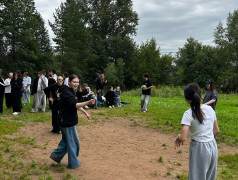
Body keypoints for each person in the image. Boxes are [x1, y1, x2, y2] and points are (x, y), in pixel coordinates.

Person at [175, 83, 220, 180]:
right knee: (209, 176)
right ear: (200, 95)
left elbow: (183, 138)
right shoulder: (210, 109)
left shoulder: (188, 114)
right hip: (213, 146)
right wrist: (208, 139)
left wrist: (178, 138)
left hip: (199, 148)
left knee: (196, 176)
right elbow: (216, 131)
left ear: (187, 99)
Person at [50, 74, 95, 169]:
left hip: (67, 120)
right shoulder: (67, 92)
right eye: (74, 82)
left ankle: (55, 155)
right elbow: (75, 105)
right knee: (73, 143)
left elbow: (76, 104)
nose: (76, 84)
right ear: (69, 82)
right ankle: (73, 163)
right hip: (67, 122)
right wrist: (88, 102)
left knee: (66, 142)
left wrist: (85, 113)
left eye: (77, 82)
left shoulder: (71, 91)